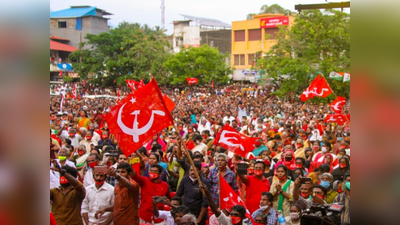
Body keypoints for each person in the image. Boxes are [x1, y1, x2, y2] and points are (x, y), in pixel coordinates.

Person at [50, 160, 85, 225]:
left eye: (65, 176)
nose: (62, 177)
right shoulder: (55, 191)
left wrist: (62, 172)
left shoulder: (77, 192)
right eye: (61, 175)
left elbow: (79, 186)